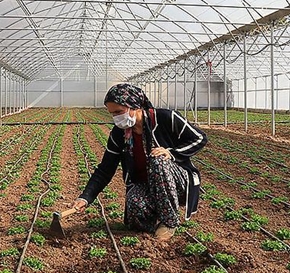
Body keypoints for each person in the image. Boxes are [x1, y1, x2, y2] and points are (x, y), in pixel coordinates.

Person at [71, 83, 208, 240]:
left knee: (158, 160)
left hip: (177, 182)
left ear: (134, 106)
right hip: (145, 184)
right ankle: (154, 220)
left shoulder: (165, 118)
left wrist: (172, 153)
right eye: (112, 114)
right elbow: (105, 169)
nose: (116, 117)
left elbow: (200, 138)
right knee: (135, 205)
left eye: (119, 112)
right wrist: (85, 197)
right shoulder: (119, 134)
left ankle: (169, 221)